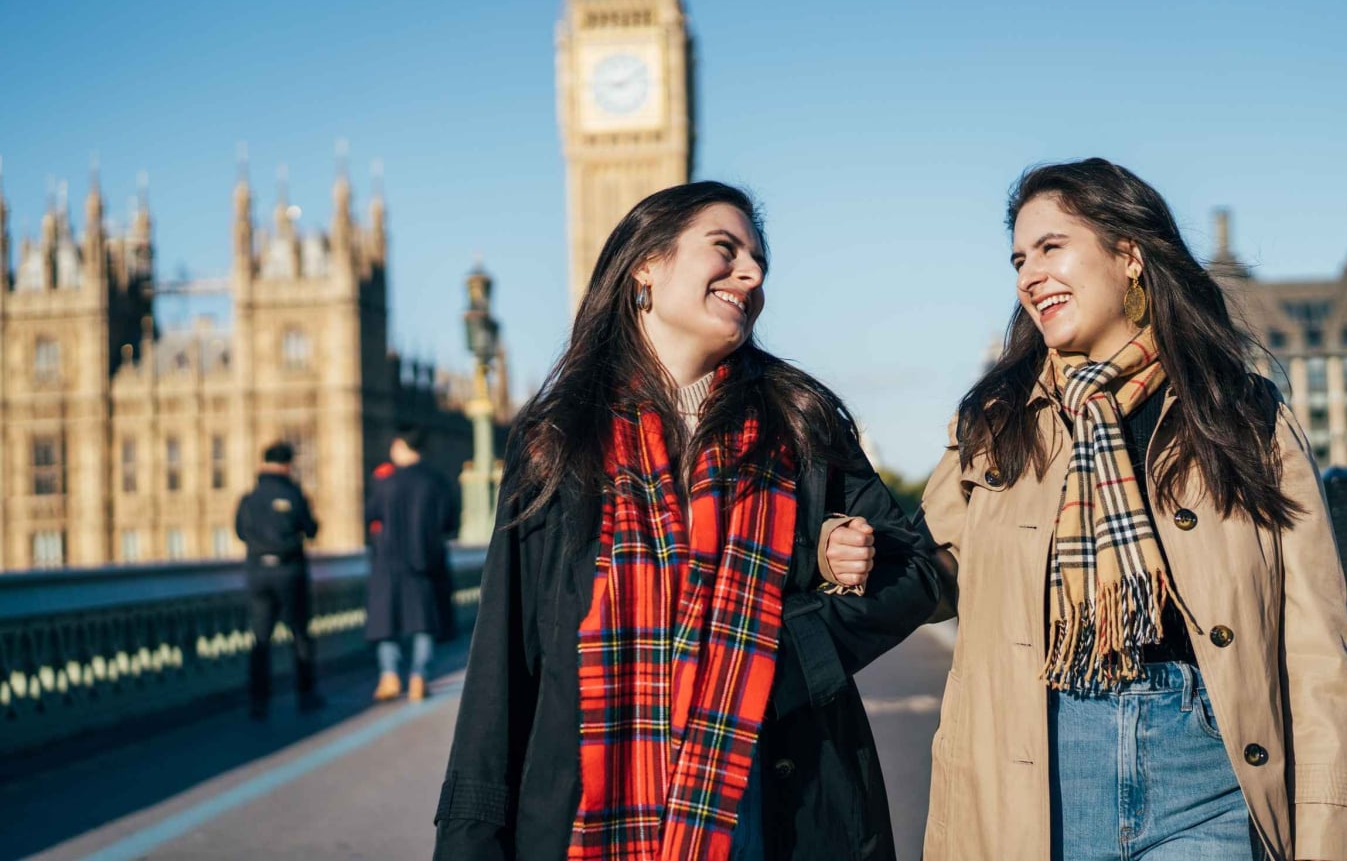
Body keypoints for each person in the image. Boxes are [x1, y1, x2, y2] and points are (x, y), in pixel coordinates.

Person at [432, 181, 942, 861]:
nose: (752, 274)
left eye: (758, 261)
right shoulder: (559, 435)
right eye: (725, 250)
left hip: (770, 796)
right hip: (589, 806)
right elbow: (505, 660)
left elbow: (916, 568)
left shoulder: (797, 419)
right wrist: (471, 838)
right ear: (646, 263)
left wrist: (786, 645)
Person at [918, 159, 1347, 860]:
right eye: (1018, 258)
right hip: (1041, 772)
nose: (1028, 275)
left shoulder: (1240, 416)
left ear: (1129, 255)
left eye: (1051, 248)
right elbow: (924, 572)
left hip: (1206, 773)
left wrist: (1330, 830)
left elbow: (1316, 649)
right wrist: (838, 546)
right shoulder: (999, 422)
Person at [365, 426, 459, 703]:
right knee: (423, 621)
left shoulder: (386, 482)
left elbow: (370, 516)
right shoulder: (438, 482)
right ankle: (419, 676)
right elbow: (450, 523)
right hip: (425, 563)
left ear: (403, 447)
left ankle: (389, 675)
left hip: (388, 561)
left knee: (386, 620)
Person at [236, 440, 322, 718]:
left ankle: (258, 701)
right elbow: (310, 529)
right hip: (290, 572)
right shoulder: (294, 494)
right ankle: (306, 694)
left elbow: (240, 531)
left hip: (259, 573)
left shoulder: (249, 498)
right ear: (287, 465)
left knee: (260, 639)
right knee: (299, 636)